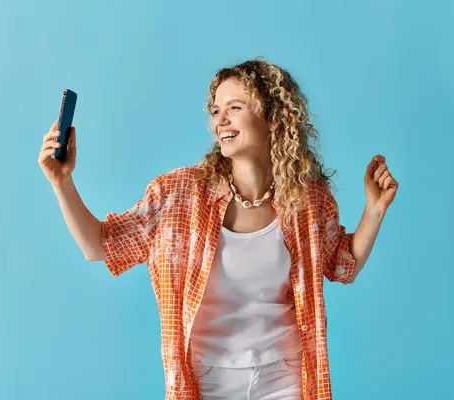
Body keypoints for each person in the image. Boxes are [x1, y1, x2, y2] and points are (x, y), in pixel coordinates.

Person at [38, 57, 398, 400]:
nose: (220, 121)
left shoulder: (307, 199)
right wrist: (62, 183)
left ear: (272, 117)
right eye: (216, 111)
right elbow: (98, 246)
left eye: (235, 108)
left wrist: (375, 208)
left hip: (285, 376)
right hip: (207, 378)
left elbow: (342, 263)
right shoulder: (176, 195)